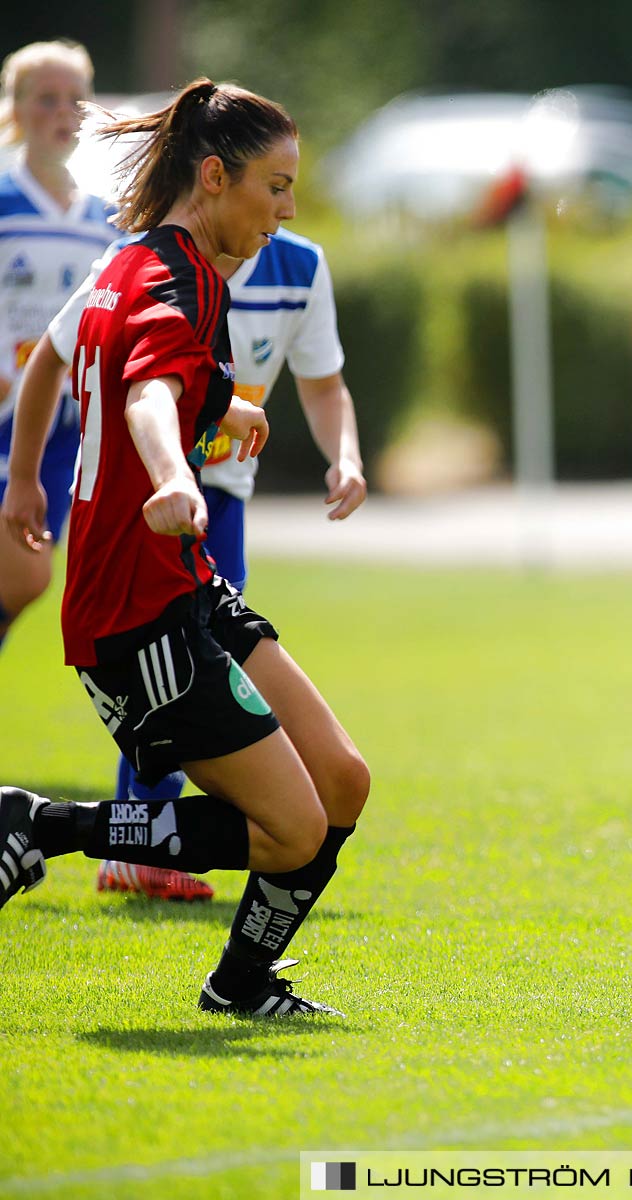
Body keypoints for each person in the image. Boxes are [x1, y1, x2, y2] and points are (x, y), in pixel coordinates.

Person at [0, 79, 369, 1016]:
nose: (285, 210)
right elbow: (143, 399)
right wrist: (170, 474)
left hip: (183, 585)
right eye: (275, 187)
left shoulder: (129, 265)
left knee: (341, 783)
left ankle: (243, 984)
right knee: (288, 828)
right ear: (214, 177)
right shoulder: (179, 280)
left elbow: (58, 359)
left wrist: (25, 477)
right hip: (133, 615)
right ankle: (50, 826)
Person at [0, 40, 116, 653]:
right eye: (46, 99)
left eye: (76, 100)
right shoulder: (2, 202)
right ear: (15, 109)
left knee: (26, 578)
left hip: (70, 429)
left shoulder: (109, 217)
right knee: (25, 572)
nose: (63, 113)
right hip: (4, 422)